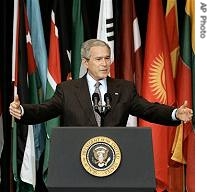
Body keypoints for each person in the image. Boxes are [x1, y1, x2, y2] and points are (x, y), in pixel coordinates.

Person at [9, 39, 193, 191]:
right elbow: (45, 109)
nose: (105, 64)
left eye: (107, 58)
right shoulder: (68, 90)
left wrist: (175, 113)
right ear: (85, 62)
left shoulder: (124, 88)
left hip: (115, 169)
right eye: (98, 59)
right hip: (77, 169)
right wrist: (23, 110)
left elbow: (148, 109)